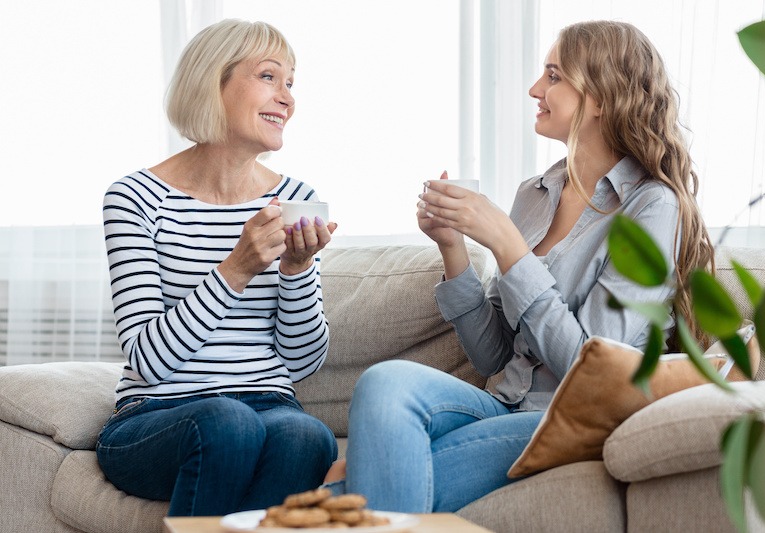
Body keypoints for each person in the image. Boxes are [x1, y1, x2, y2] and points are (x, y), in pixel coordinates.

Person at [325, 20, 714, 512]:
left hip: (569, 418)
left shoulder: (652, 207)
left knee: (349, 491)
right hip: (503, 404)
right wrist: (453, 248)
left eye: (553, 75)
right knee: (384, 381)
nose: (535, 89)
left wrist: (510, 248)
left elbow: (589, 370)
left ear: (599, 97)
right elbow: (493, 357)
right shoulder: (534, 194)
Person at [97, 19, 338, 517]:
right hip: (157, 417)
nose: (288, 98)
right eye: (269, 77)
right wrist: (237, 268)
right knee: (229, 422)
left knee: (308, 435)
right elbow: (147, 358)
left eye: (291, 83)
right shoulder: (135, 199)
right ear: (214, 82)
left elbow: (301, 363)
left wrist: (296, 269)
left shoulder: (297, 199)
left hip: (270, 406)